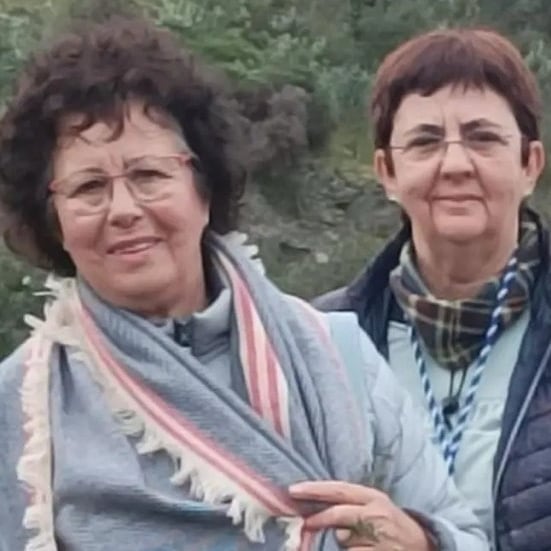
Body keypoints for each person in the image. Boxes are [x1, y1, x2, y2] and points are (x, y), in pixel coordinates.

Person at [0, 16, 486, 551]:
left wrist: (421, 542)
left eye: (149, 175)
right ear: (53, 221)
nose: (122, 210)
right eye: (88, 187)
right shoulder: (24, 408)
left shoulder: (338, 357)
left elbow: (465, 535)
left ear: (204, 188)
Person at [315, 27, 551, 551]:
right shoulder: (322, 342)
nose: (455, 164)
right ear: (387, 171)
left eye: (483, 138)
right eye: (425, 142)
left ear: (530, 164)